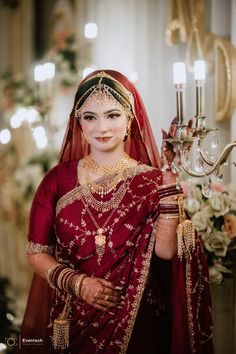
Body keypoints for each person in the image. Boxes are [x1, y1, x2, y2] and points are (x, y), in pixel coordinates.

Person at [17, 70, 213, 354]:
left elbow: (167, 252)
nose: (101, 127)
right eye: (90, 117)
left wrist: (169, 184)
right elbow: (37, 251)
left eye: (112, 115)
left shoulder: (152, 180)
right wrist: (78, 284)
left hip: (137, 324)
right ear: (79, 124)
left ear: (130, 118)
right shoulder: (56, 181)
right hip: (74, 318)